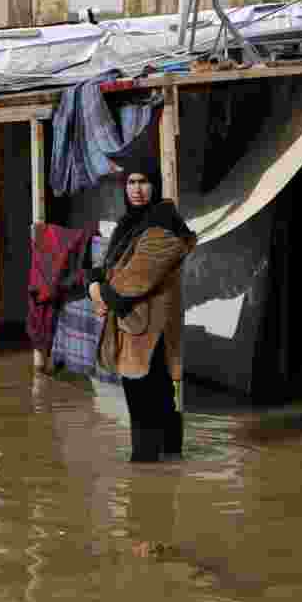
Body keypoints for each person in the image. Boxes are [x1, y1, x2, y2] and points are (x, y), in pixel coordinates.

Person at [88, 171, 196, 462]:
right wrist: (96, 283)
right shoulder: (129, 224)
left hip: (150, 330)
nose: (137, 189)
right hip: (134, 324)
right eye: (131, 183)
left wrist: (100, 293)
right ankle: (168, 470)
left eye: (144, 182)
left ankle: (146, 471)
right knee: (156, 398)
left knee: (145, 400)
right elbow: (105, 267)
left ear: (156, 186)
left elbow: (135, 279)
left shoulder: (163, 227)